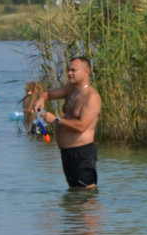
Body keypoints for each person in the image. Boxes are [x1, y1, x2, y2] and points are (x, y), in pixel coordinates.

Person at [31, 57, 102, 189]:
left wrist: (56, 120)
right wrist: (41, 99)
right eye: (68, 70)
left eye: (73, 70)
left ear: (86, 72)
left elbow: (81, 126)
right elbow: (47, 94)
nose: (69, 73)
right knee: (74, 196)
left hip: (82, 153)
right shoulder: (70, 89)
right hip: (67, 153)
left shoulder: (92, 97)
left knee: (86, 196)